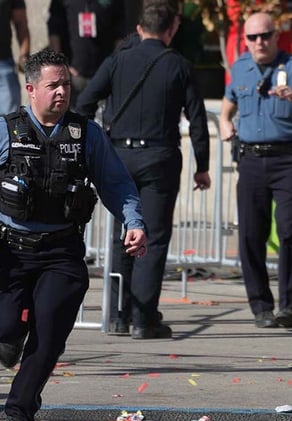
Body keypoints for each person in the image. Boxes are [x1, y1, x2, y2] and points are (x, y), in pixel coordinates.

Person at [0, 48, 146, 421]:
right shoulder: (2, 131)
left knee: (51, 334)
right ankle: (6, 336)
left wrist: (134, 222)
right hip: (10, 248)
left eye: (66, 85)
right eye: (52, 85)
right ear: (31, 90)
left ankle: (20, 410)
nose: (61, 92)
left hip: (61, 250)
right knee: (5, 326)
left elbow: (117, 185)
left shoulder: (86, 134)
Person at [76, 0, 211, 339]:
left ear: (139, 28)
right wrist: (202, 166)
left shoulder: (118, 60)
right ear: (172, 29)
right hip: (159, 158)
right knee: (151, 236)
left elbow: (85, 102)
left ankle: (119, 315)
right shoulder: (179, 65)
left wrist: (93, 142)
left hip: (118, 156)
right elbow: (197, 120)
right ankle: (144, 317)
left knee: (123, 233)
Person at [219, 12, 292, 329]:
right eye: (252, 37)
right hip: (251, 160)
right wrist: (224, 123)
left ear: (277, 36)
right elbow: (228, 105)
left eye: (265, 36)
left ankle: (288, 307)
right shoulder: (240, 67)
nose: (259, 42)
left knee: (289, 230)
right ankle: (261, 306)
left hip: (289, 159)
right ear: (245, 41)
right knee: (251, 234)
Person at [47, 0, 126, 108]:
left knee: (101, 121)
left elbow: (120, 34)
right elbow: (54, 30)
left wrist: (113, 67)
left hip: (103, 74)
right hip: (73, 74)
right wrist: (61, 65)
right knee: (73, 120)